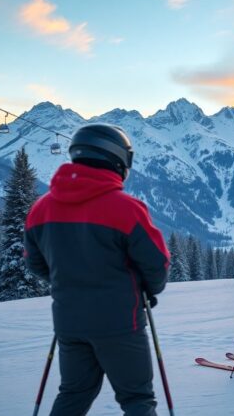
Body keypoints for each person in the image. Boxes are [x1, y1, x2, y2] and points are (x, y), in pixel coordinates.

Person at [25, 124, 170, 416]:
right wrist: (144, 290)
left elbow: (36, 264)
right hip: (120, 323)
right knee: (137, 398)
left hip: (69, 323)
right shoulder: (126, 208)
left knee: (74, 393)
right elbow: (158, 264)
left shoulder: (40, 209)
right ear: (117, 159)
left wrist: (69, 283)